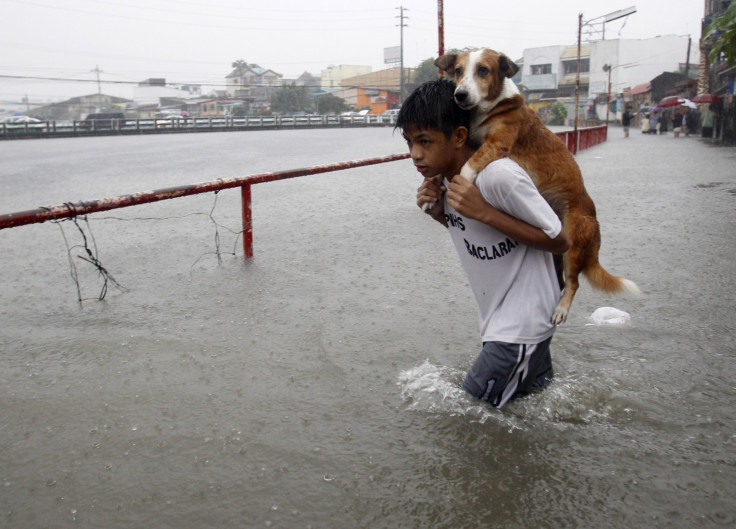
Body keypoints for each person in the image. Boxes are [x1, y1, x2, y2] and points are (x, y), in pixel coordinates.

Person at [395, 80, 570, 408]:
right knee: (536, 414)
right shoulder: (448, 179)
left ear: (459, 136)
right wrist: (437, 212)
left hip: (519, 326)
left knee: (468, 420)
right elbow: (475, 232)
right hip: (507, 321)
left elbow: (559, 239)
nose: (415, 154)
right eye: (409, 142)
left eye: (424, 141)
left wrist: (486, 211)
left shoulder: (498, 176)